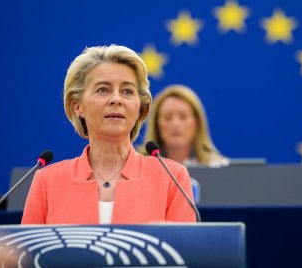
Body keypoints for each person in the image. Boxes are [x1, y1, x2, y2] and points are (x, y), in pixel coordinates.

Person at [22, 45, 195, 224]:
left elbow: (189, 251)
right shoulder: (47, 182)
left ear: (140, 108)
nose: (116, 99)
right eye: (103, 90)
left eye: (127, 91)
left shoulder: (172, 178)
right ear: (77, 106)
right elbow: (26, 252)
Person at [139, 84, 229, 167]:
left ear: (197, 123)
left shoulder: (218, 167)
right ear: (156, 124)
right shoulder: (139, 165)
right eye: (168, 117)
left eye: (183, 117)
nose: (175, 124)